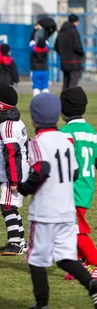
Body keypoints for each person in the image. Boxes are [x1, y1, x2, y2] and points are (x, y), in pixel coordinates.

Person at [16, 93, 97, 309]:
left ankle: (41, 308)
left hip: (45, 211)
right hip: (65, 209)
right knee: (65, 258)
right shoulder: (64, 140)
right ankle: (92, 285)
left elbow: (42, 170)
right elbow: (74, 172)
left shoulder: (38, 142)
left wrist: (23, 188)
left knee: (36, 259)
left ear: (34, 118)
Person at [59, 87, 97, 280]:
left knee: (76, 229)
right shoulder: (92, 132)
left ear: (62, 109)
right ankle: (78, 265)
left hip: (72, 189)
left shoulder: (66, 132)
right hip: (86, 187)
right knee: (70, 227)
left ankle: (95, 262)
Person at [0, 85, 29, 256]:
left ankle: (15, 242)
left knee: (7, 205)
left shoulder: (7, 126)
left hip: (13, 173)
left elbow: (12, 153)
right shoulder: (16, 122)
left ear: (0, 107)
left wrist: (14, 180)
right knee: (11, 205)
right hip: (20, 171)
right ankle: (21, 242)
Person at [55, 14, 84, 90]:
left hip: (64, 61)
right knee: (73, 83)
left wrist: (63, 54)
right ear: (75, 22)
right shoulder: (73, 31)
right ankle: (70, 100)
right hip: (74, 61)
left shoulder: (61, 32)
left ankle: (63, 100)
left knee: (65, 83)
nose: (78, 23)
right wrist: (82, 53)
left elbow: (56, 46)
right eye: (77, 21)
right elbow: (77, 46)